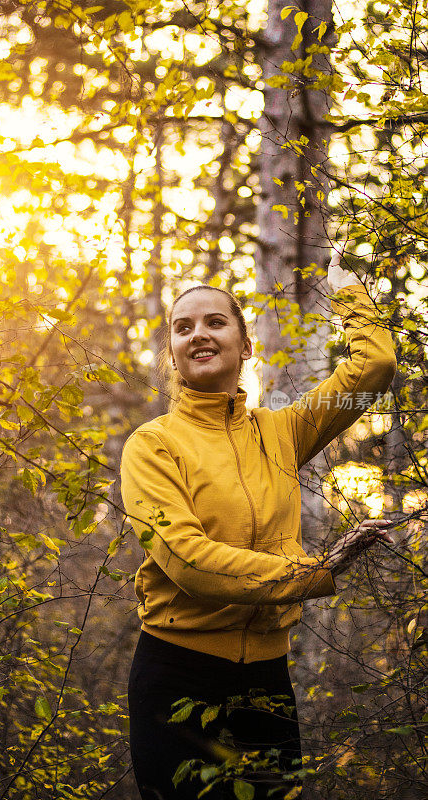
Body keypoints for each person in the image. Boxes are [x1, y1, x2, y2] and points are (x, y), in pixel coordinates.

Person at [120, 251, 397, 800]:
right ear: (173, 354)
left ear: (246, 348)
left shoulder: (283, 432)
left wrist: (348, 291)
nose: (198, 334)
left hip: (267, 681)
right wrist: (313, 572)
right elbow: (188, 561)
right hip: (178, 676)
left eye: (215, 321)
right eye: (182, 327)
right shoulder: (152, 445)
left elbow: (374, 370)